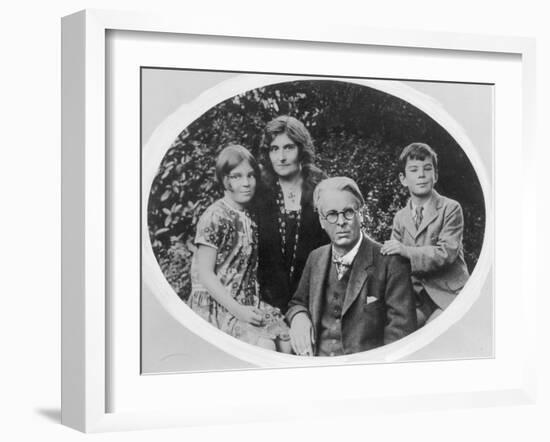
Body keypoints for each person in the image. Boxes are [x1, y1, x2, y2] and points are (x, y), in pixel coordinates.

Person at [286, 177, 417, 356]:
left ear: (360, 214)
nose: (341, 222)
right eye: (332, 214)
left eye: (348, 212)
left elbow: (400, 334)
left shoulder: (391, 262)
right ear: (322, 221)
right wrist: (298, 317)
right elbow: (297, 302)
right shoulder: (315, 257)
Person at [187, 145, 291, 352]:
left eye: (250, 176)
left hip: (247, 300)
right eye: (236, 176)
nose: (246, 183)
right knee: (265, 346)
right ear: (225, 180)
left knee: (287, 340)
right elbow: (205, 275)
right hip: (219, 303)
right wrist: (238, 310)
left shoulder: (251, 215)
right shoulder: (214, 216)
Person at [381, 142, 470, 327]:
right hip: (417, 297)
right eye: (413, 170)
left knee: (431, 333)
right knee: (396, 331)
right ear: (403, 179)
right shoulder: (400, 217)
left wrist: (405, 251)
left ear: (435, 176)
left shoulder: (450, 208)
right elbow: (394, 263)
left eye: (427, 169)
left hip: (448, 293)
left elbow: (446, 253)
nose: (421, 175)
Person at [256, 116, 329, 314]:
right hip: (268, 302)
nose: (281, 157)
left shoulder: (321, 190)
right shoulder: (260, 194)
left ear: (301, 150)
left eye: (288, 147)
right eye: (274, 149)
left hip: (315, 298)